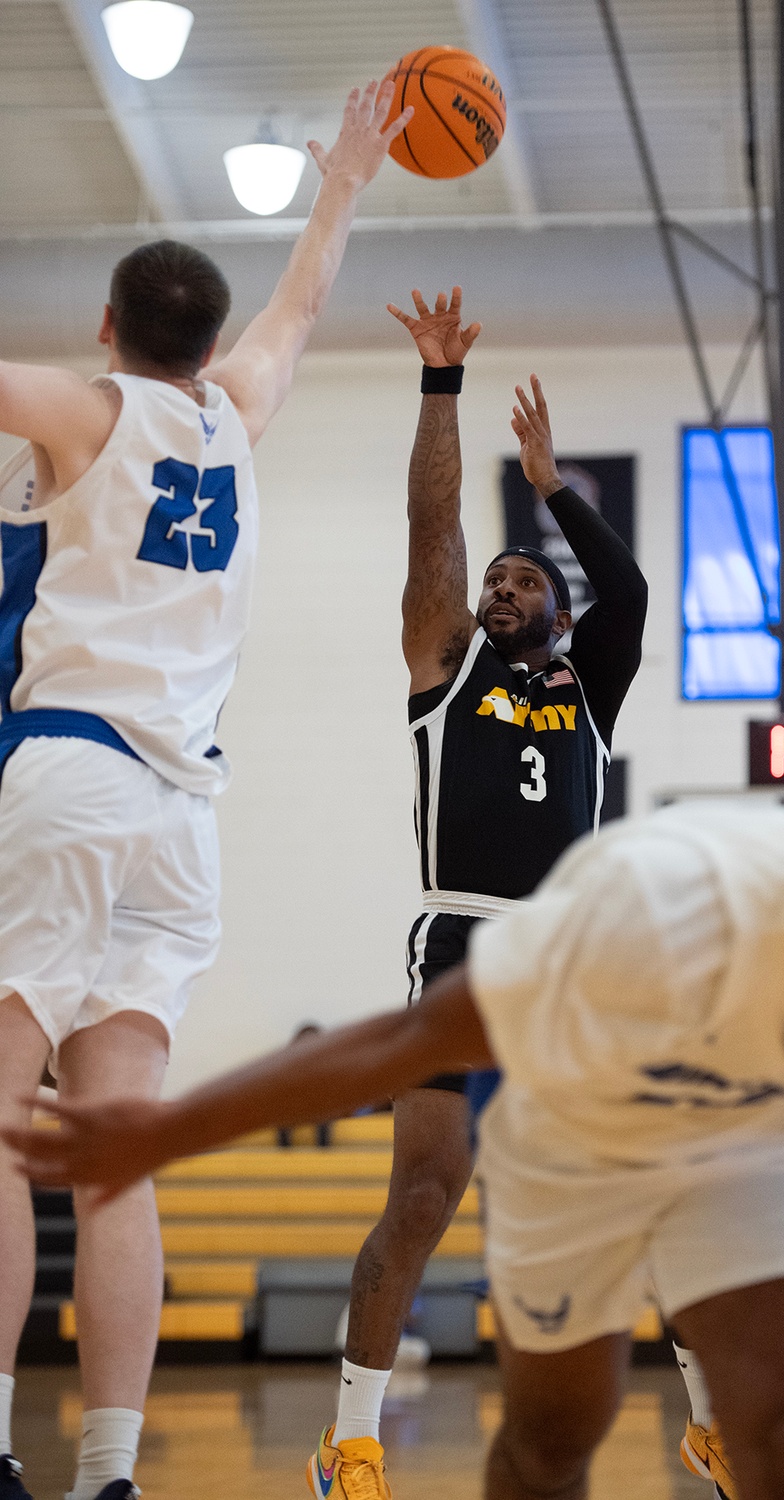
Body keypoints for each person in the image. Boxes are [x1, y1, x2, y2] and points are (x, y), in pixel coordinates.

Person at [10, 733, 784, 1500]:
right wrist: (163, 1130)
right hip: (577, 1135)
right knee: (552, 1441)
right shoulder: (663, 906)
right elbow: (404, 1044)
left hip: (757, 1140)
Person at [0, 80, 412, 1500]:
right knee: (119, 1153)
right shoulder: (236, 410)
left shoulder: (82, 406)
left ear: (111, 329)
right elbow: (297, 312)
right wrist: (344, 182)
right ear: (204, 341)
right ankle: (112, 1473)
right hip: (184, 821)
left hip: (72, 769)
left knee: (0, 1122)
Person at [310, 288, 647, 1496]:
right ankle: (350, 1441)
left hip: (566, 957)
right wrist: (441, 389)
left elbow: (634, 596)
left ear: (556, 609)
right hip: (459, 945)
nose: (499, 588)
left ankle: (702, 1418)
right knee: (419, 1198)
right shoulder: (444, 672)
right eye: (491, 582)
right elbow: (432, 524)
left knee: (633, 1188)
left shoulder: (587, 690)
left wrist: (551, 485)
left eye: (522, 581)